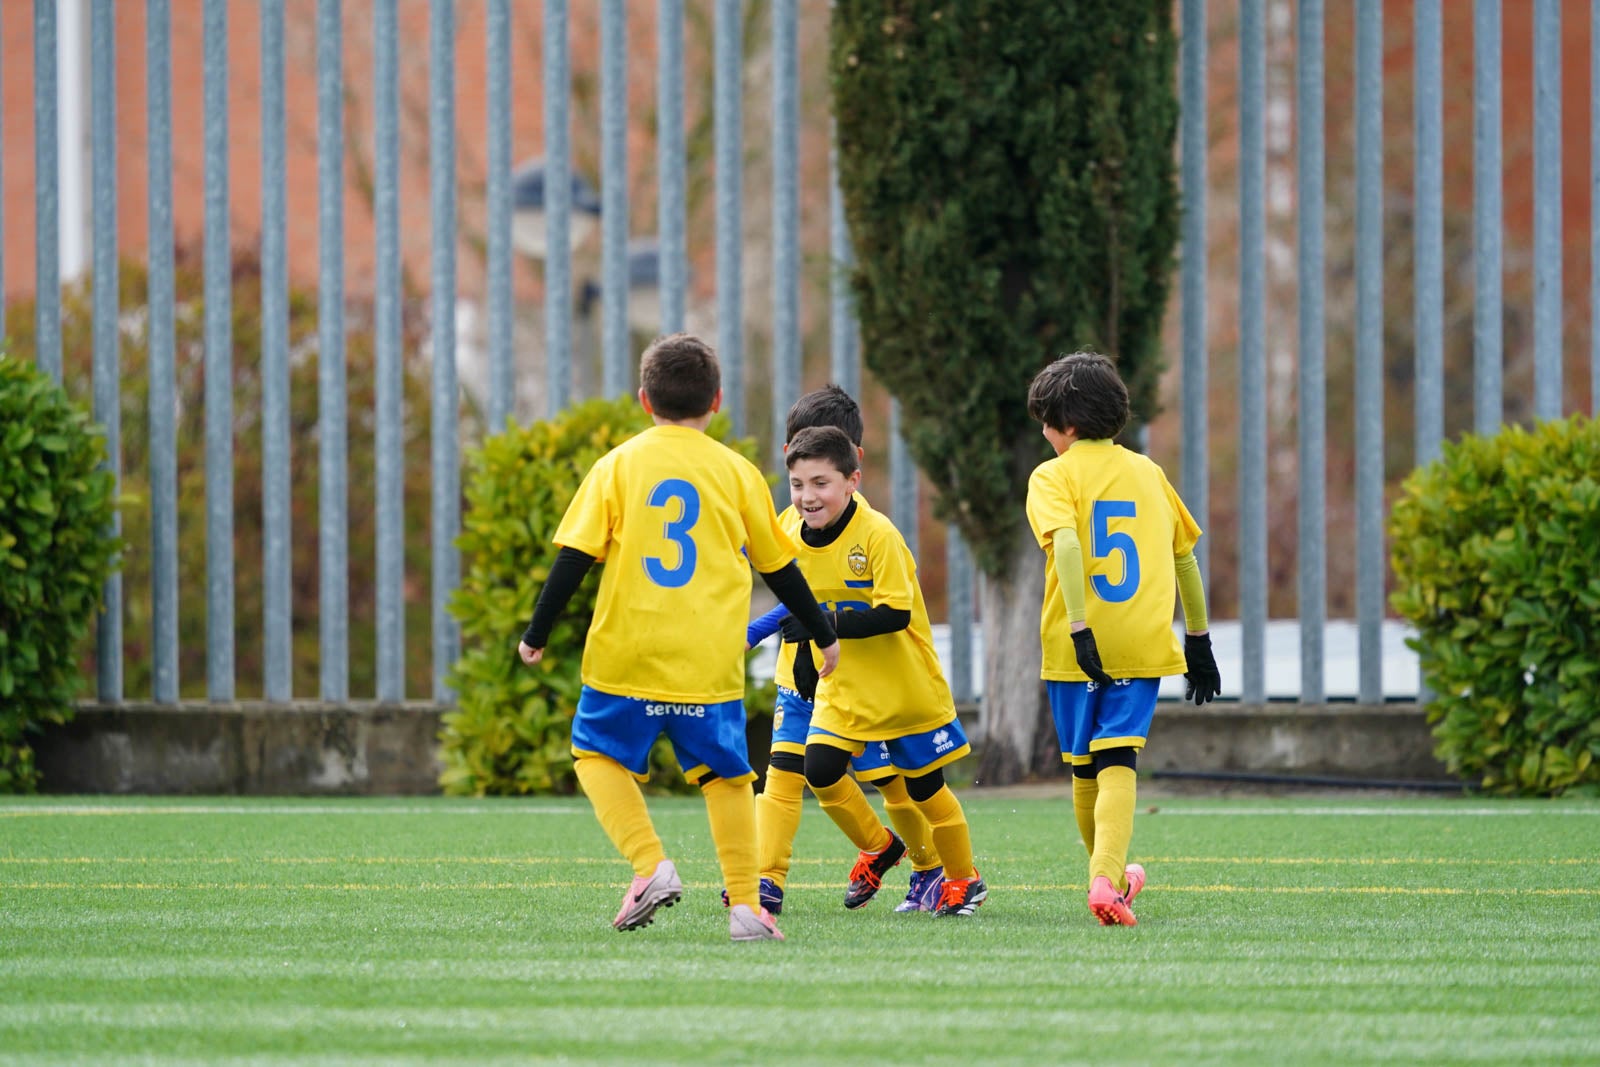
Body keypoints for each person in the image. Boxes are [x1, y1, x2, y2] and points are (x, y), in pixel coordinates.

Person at [516, 333, 840, 943]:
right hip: (708, 659)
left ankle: (650, 865)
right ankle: (746, 907)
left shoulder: (617, 465)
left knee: (596, 755)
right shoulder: (737, 472)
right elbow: (780, 569)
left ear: (644, 400)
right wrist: (823, 634)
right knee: (726, 777)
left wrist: (537, 633)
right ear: (715, 401)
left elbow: (572, 560)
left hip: (626, 654)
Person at [1023, 350, 1222, 927]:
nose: (1043, 432)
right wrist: (1200, 640)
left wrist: (1081, 626)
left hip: (1073, 643)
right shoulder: (1149, 472)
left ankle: (1104, 880)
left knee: (1086, 770)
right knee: (1117, 760)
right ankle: (1109, 881)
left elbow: (1065, 546)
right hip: (1142, 642)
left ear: (1070, 425)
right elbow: (1184, 559)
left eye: (1046, 421)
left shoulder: (1051, 475)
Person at [743, 386, 944, 915]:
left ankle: (931, 867)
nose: (805, 487)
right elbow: (795, 600)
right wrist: (751, 631)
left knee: (893, 786)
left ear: (851, 463)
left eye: (817, 468)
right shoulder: (791, 522)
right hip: (800, 677)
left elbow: (871, 609)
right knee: (785, 774)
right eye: (793, 456)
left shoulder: (869, 531)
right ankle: (767, 881)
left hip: (864, 684)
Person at [775, 425, 986, 917]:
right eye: (798, 484)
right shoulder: (788, 532)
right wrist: (807, 653)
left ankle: (963, 879)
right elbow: (799, 605)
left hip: (903, 689)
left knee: (924, 790)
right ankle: (877, 846)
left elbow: (894, 612)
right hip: (844, 689)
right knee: (821, 769)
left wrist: (828, 624)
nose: (808, 497)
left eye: (821, 483)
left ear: (853, 481)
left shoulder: (878, 535)